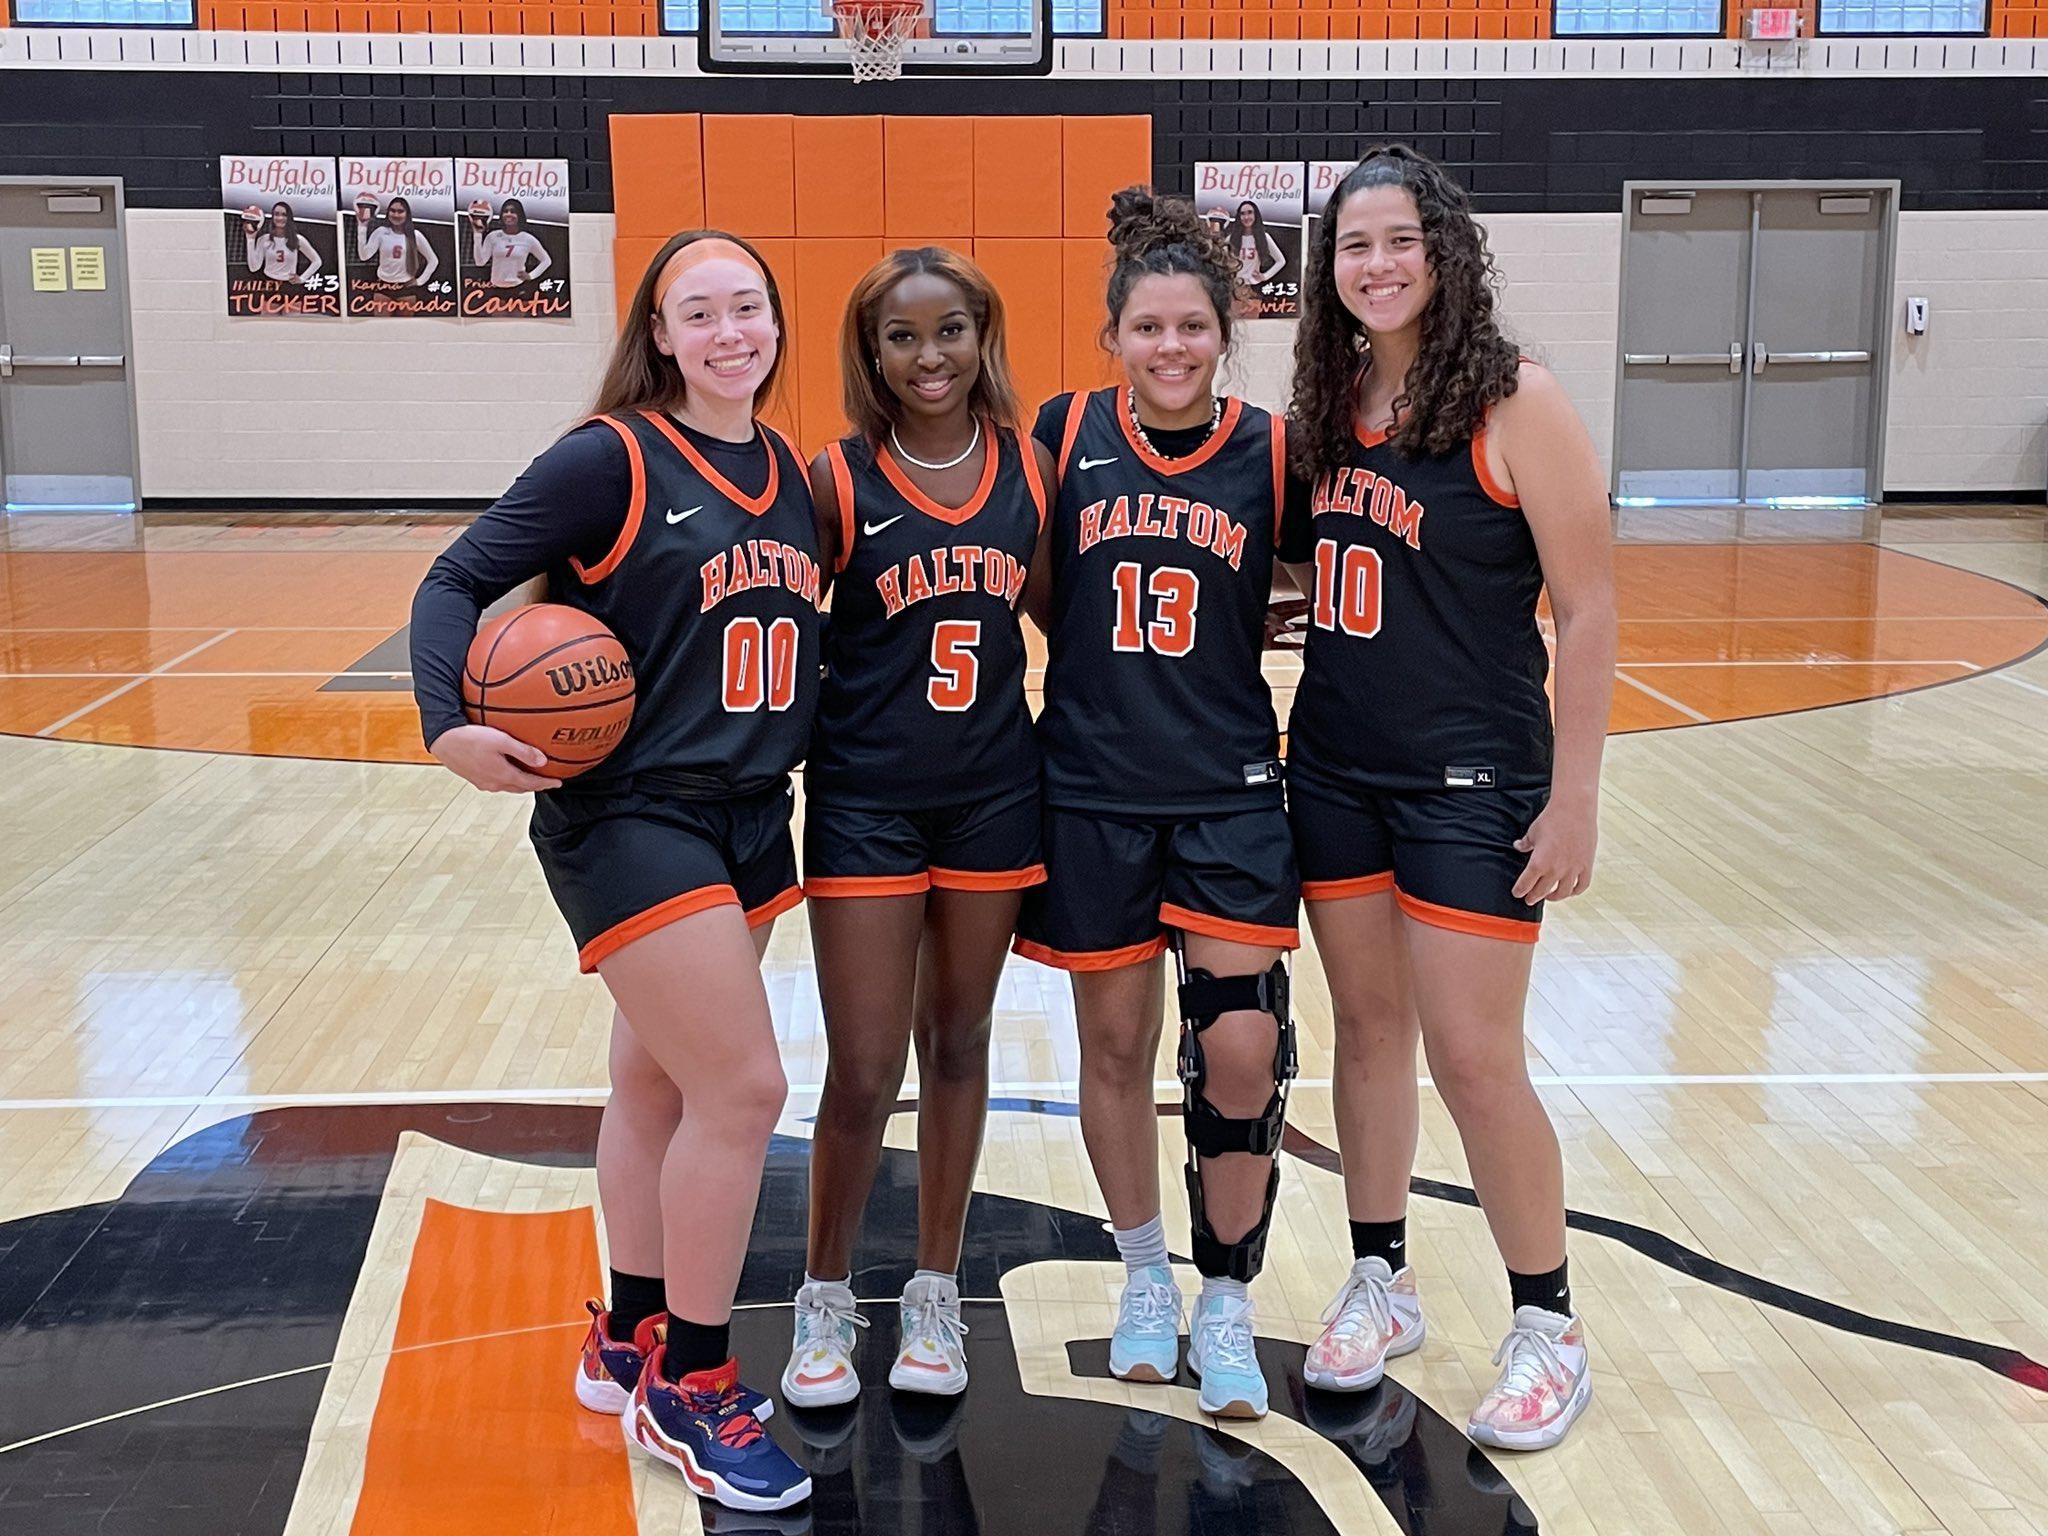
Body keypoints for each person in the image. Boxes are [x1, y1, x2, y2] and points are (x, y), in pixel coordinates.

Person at [408, 230, 820, 1511]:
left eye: (746, 307)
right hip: (633, 815)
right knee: (743, 1090)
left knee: (655, 1081)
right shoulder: (611, 457)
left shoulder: (790, 473)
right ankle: (692, 1385)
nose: (728, 331)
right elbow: (457, 575)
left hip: (752, 815)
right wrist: (446, 726)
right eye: (698, 313)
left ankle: (630, 1329)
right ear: (658, 335)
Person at [1280, 145, 1616, 1451]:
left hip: (1476, 779)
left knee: (1476, 1058)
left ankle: (1548, 1323)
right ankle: (1382, 1276)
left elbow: (1588, 609)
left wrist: (1577, 796)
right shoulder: (1332, 400)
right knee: (1368, 1032)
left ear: (1445, 252)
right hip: (1341, 768)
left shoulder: (1517, 400)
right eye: (1353, 246)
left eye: (1397, 241)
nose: (1375, 264)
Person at [1020, 187, 1299, 1421]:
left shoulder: (1273, 448)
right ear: (1112, 335)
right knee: (1118, 1049)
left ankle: (1227, 1292)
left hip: (1230, 786)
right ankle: (1144, 1277)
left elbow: (1316, 571)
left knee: (1239, 1048)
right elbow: (1023, 579)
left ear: (1222, 333)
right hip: (1088, 788)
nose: (1170, 348)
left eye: (1192, 328)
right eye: (1147, 328)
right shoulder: (1060, 431)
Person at [781, 246, 1054, 1409]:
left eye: (950, 331)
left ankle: (934, 1288)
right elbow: (760, 610)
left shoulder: (1032, 474)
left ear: (982, 335)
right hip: (864, 803)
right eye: (902, 335)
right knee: (861, 1064)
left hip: (995, 792)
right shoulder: (834, 482)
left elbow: (1065, 617)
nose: (929, 355)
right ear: (870, 352)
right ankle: (823, 1297)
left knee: (957, 1044)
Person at [356, 194, 439, 287]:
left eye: (400, 211)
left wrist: (420, 281)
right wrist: (362, 227)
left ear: (407, 214)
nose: (396, 214)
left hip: (406, 285)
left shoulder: (415, 235)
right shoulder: (381, 232)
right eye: (392, 211)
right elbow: (364, 256)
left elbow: (433, 260)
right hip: (383, 284)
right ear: (388, 212)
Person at [471, 197, 553, 288]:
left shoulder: (528, 239)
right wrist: (477, 234)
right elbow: (480, 262)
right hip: (494, 287)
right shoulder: (493, 236)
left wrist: (531, 275)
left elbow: (546, 260)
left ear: (520, 215)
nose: (508, 214)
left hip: (518, 287)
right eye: (505, 211)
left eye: (513, 211)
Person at [244, 201, 320, 286]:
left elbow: (317, 261)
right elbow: (253, 268)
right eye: (276, 214)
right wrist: (250, 239)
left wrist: (302, 278)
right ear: (272, 217)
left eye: (284, 215)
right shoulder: (264, 239)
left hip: (289, 285)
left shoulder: (298, 239)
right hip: (268, 283)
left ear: (289, 217)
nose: (280, 218)